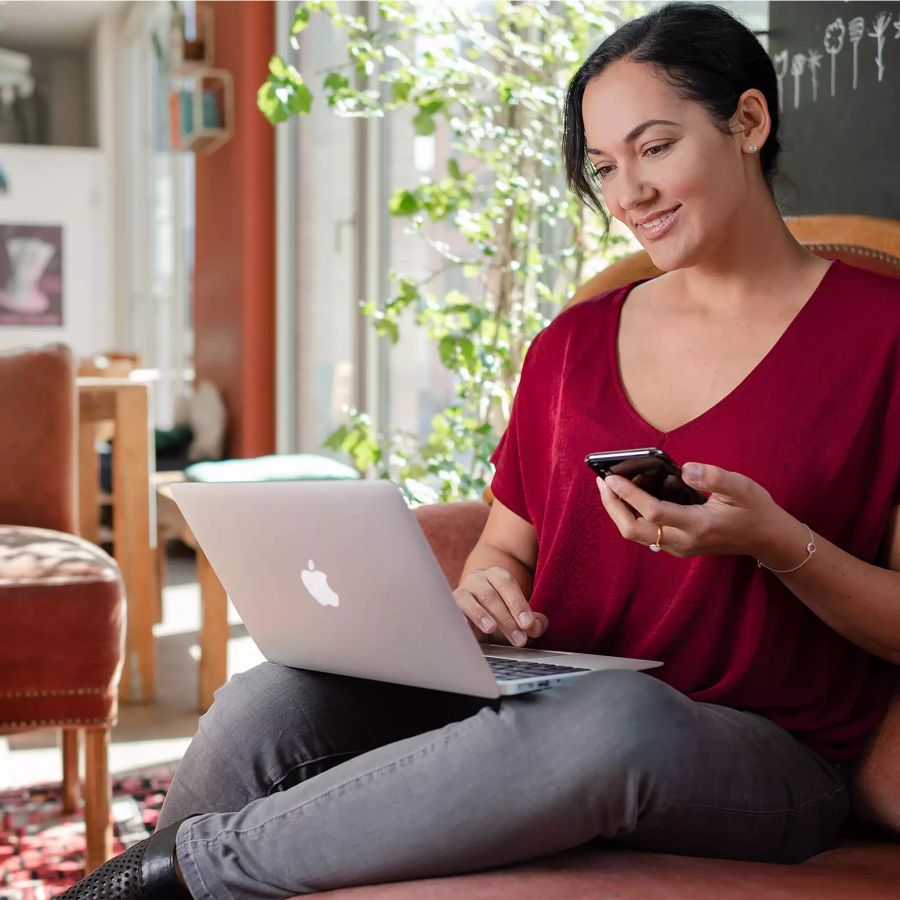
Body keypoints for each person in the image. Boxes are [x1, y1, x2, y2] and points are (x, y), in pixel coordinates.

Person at [63, 3, 900, 898]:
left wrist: (777, 543)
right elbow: (509, 545)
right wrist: (486, 587)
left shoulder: (882, 335)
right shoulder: (572, 342)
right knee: (271, 701)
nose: (629, 196)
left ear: (747, 121)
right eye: (605, 166)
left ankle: (173, 875)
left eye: (655, 149)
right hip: (539, 696)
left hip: (756, 747)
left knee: (613, 722)